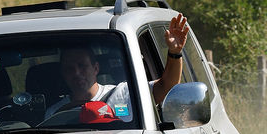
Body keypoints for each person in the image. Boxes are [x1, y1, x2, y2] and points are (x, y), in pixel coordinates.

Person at [45, 13, 191, 120]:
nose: (76, 72)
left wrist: (175, 52)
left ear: (96, 68)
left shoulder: (124, 93)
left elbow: (167, 87)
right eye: (69, 68)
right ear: (63, 73)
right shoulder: (55, 113)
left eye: (82, 65)